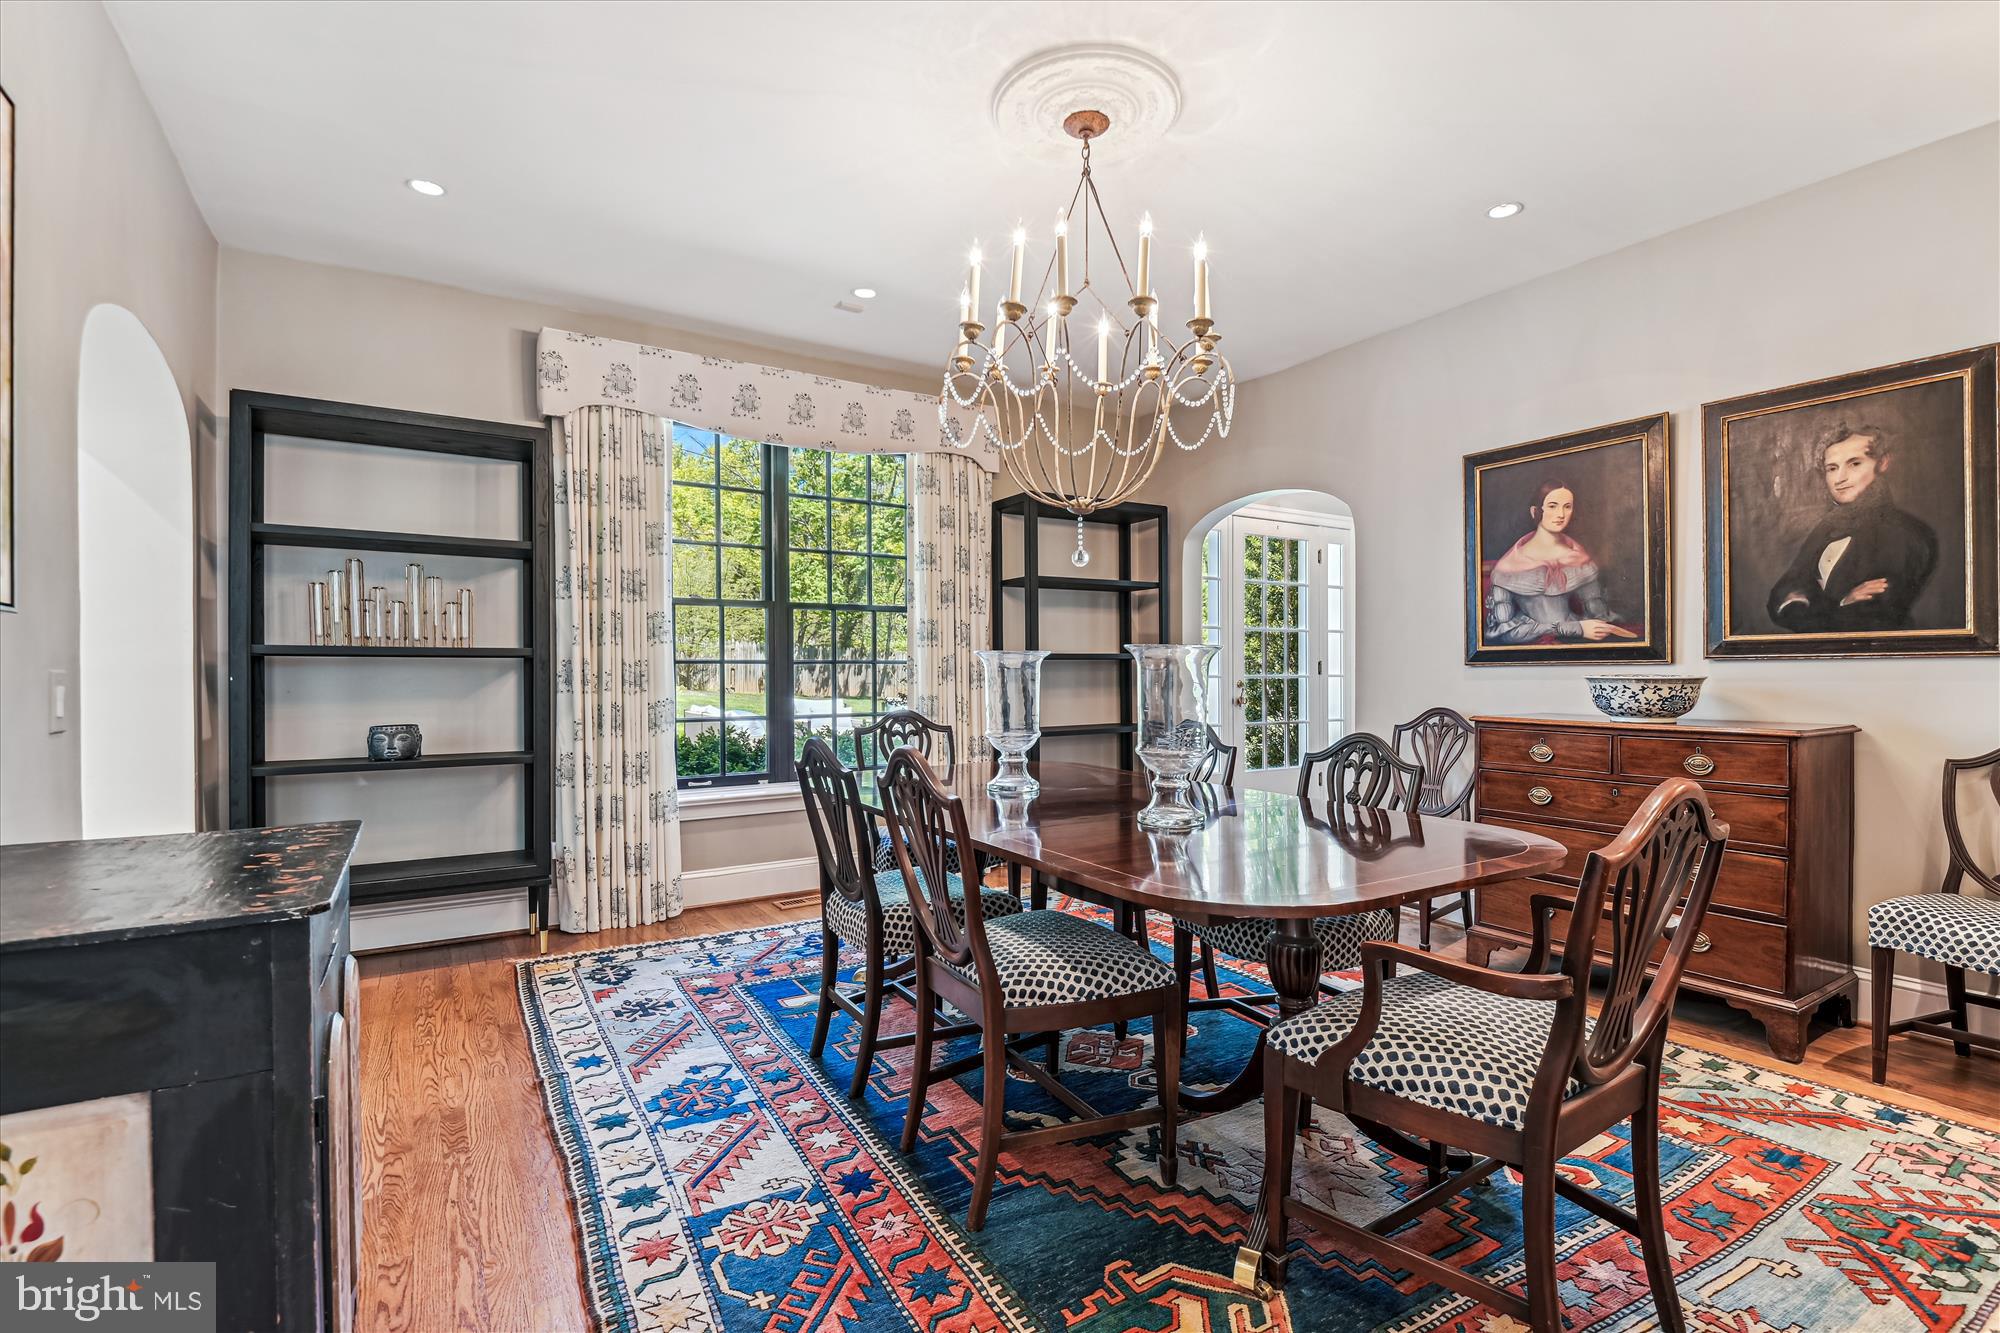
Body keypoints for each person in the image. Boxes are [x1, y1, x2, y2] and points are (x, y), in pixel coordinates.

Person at [1766, 423, 1937, 633]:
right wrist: (1842, 603)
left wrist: (1809, 604)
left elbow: (1873, 617)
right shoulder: (1827, 527)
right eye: (1832, 468)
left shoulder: (1905, 533)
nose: (1840, 479)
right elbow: (1782, 596)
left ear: (1882, 463)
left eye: (1854, 464)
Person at [1484, 479, 1638, 644]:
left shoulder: (1578, 558)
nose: (1561, 514)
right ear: (1535, 511)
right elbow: (1502, 632)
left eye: (1567, 506)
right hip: (1530, 646)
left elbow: (1597, 613)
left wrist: (1597, 626)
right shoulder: (1508, 567)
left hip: (1573, 643)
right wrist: (1572, 628)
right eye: (1552, 506)